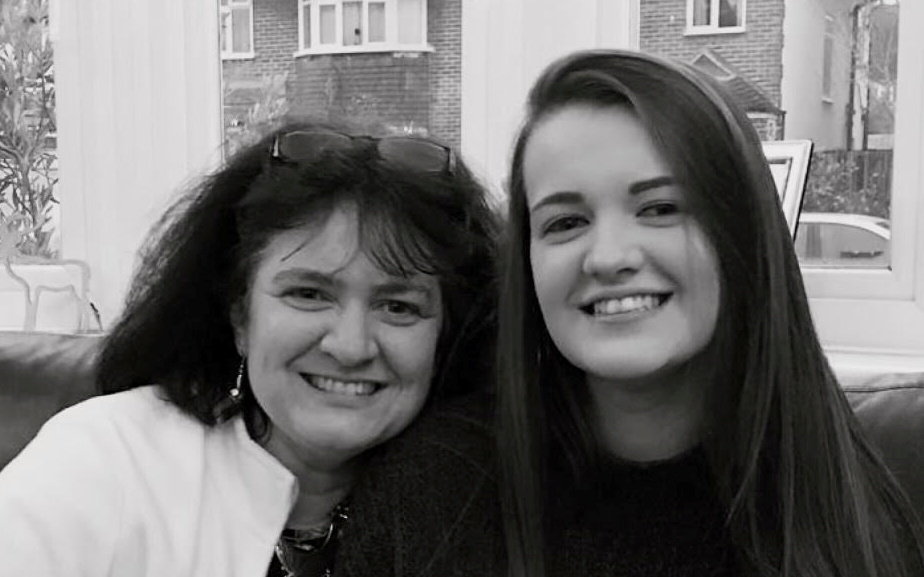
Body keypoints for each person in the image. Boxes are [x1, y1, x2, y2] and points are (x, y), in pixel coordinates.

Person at [335, 49, 924, 577]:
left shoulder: (872, 501)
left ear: (741, 233)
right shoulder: (434, 488)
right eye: (565, 222)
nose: (610, 257)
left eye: (661, 207)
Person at [0, 120, 498, 577]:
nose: (350, 346)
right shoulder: (107, 461)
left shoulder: (490, 499)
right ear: (240, 315)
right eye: (308, 294)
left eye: (398, 307)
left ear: (447, 334)